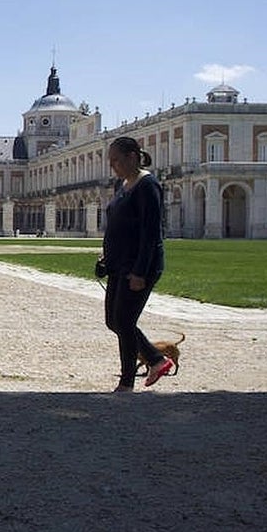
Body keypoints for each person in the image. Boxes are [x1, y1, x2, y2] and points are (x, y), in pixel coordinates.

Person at [98, 136, 174, 392]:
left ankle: (128, 380)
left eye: (117, 160)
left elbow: (151, 232)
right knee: (114, 321)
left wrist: (140, 271)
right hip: (119, 264)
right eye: (111, 161)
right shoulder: (124, 184)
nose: (113, 165)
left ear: (133, 156)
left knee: (124, 320)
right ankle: (155, 359)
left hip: (138, 266)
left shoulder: (147, 185)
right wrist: (106, 257)